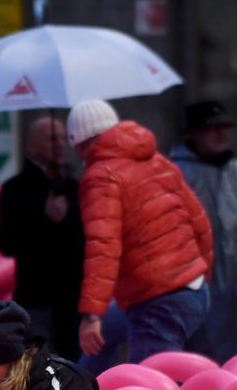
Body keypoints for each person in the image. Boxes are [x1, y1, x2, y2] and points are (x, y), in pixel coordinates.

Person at [68, 99, 214, 364]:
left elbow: (103, 247)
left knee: (153, 389)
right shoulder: (157, 160)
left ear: (79, 143)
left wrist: (91, 316)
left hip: (157, 301)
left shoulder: (100, 176)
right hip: (194, 289)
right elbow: (199, 221)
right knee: (101, 346)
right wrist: (203, 273)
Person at [171, 100, 237, 362]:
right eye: (212, 128)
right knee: (202, 351)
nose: (221, 134)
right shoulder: (176, 173)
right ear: (193, 133)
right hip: (199, 279)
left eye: (224, 127)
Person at [0, 115, 86, 360]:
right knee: (38, 365)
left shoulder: (76, 187)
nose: (59, 144)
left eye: (62, 138)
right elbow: (7, 244)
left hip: (73, 299)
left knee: (74, 366)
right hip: (36, 298)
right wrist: (42, 218)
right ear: (32, 145)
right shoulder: (14, 190)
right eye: (51, 139)